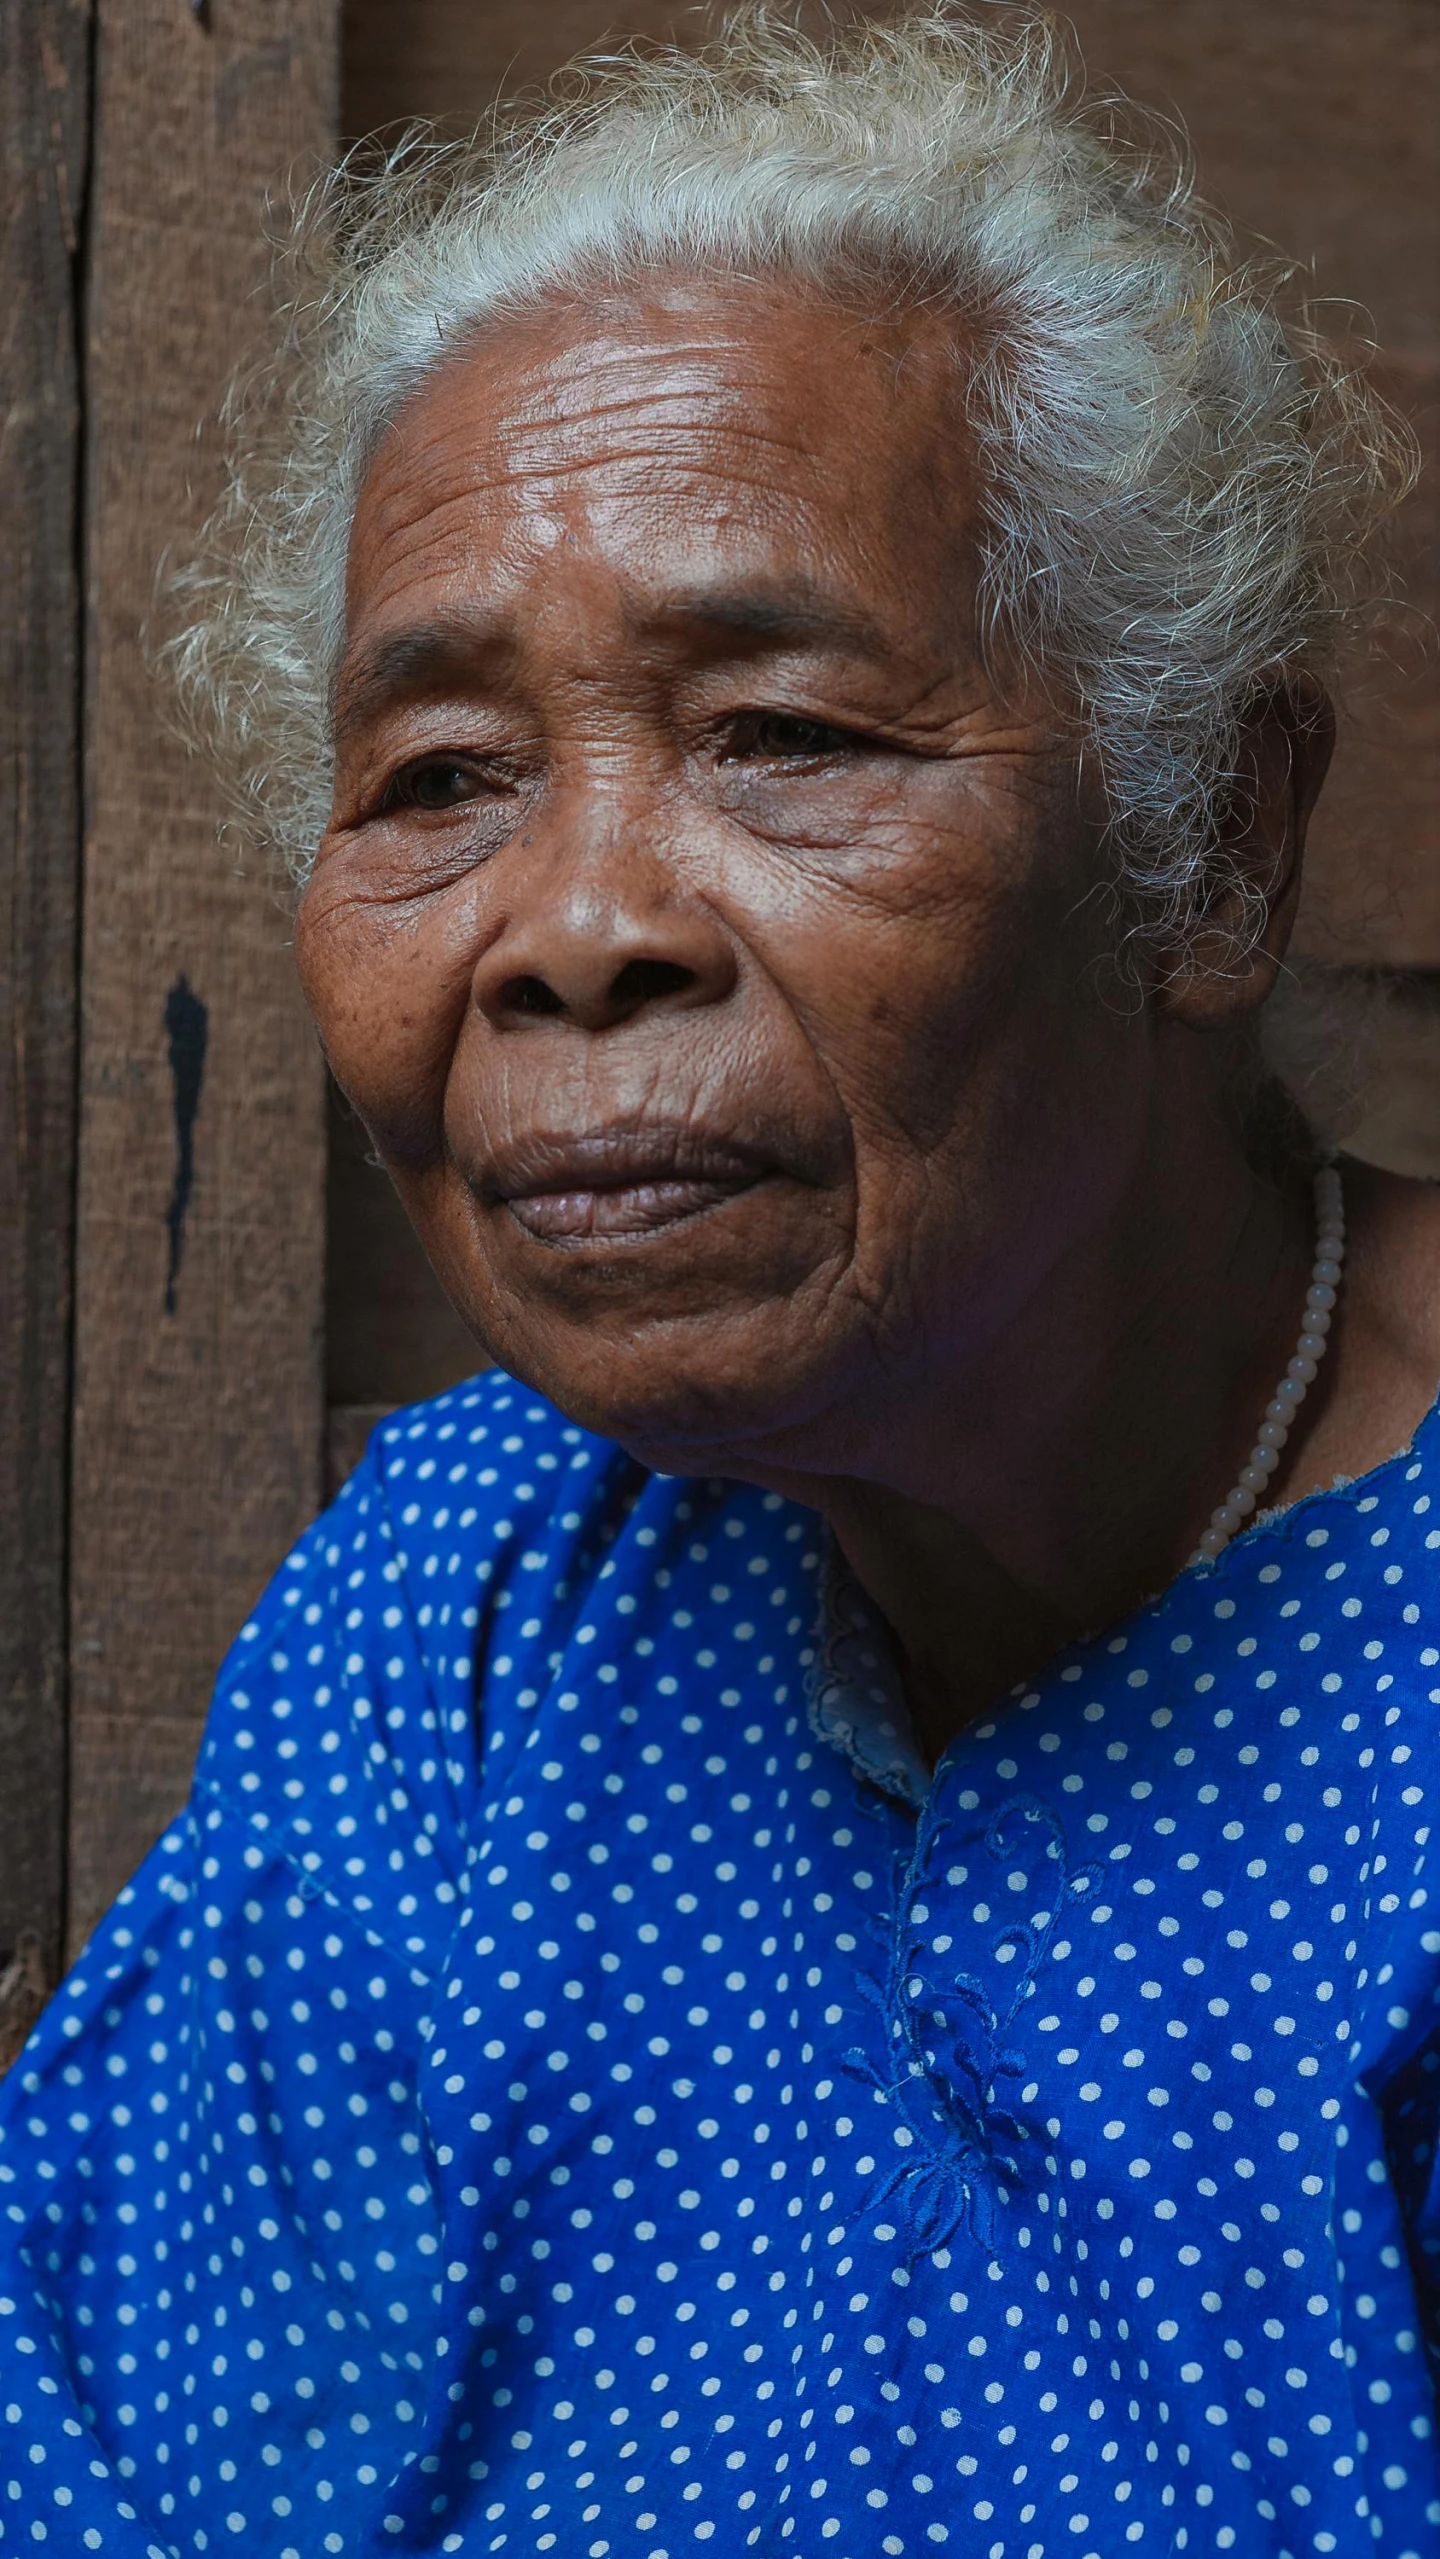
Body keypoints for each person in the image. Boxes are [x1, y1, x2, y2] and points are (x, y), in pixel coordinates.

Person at [3, 10, 1436, 2554]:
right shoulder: (456, 1616)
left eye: (782, 732)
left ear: (1209, 841)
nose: (573, 935)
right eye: (439, 780)